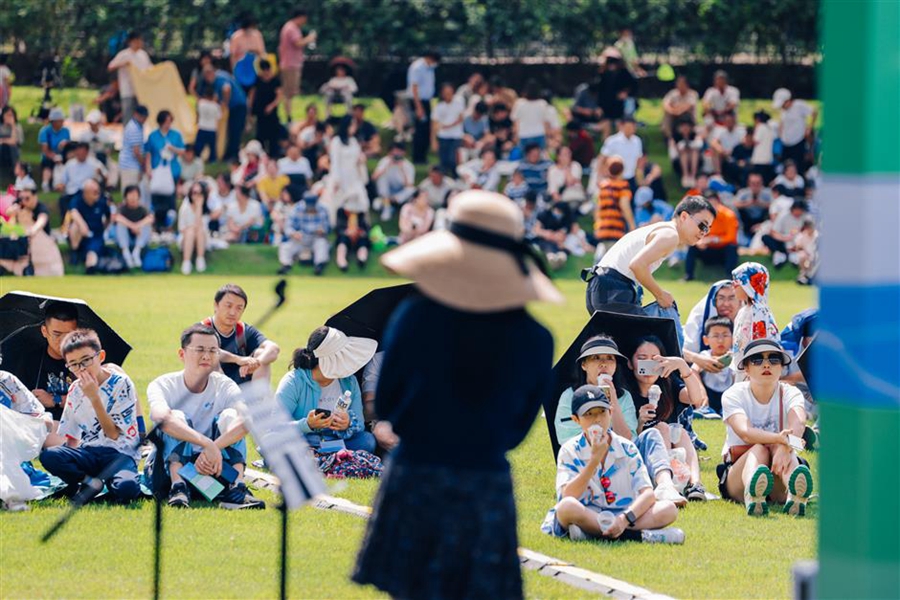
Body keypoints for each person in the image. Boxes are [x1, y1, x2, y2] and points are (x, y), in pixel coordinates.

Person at [353, 191, 562, 599]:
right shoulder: (535, 338)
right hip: (484, 482)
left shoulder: (415, 316)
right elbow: (518, 432)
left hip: (416, 474)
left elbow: (389, 404)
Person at [554, 336, 689, 506]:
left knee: (652, 434)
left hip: (623, 459)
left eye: (609, 359)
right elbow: (567, 439)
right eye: (596, 358)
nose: (603, 364)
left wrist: (613, 402)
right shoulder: (570, 396)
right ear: (584, 365)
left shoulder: (623, 396)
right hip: (589, 461)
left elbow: (629, 440)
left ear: (616, 365)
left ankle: (665, 485)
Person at [542, 385, 684, 543]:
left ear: (610, 412)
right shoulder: (569, 450)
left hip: (625, 514)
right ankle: (639, 536)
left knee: (668, 509)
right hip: (588, 513)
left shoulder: (626, 447)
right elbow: (567, 496)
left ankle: (590, 533)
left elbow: (648, 494)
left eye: (602, 412)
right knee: (566, 507)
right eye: (588, 414)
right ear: (576, 419)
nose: (597, 419)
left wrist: (623, 520)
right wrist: (593, 461)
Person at [147, 324, 265, 509]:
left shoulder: (225, 385)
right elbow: (161, 418)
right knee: (175, 417)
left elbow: (247, 420)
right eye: (199, 349)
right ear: (182, 354)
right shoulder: (163, 384)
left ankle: (237, 486)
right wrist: (207, 444)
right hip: (167, 470)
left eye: (212, 351)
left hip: (212, 466)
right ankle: (178, 489)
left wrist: (213, 449)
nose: (206, 356)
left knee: (231, 416)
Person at [38, 329, 142, 502]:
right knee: (50, 455)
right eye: (74, 364)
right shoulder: (75, 389)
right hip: (89, 453)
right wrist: (69, 466)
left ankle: (112, 482)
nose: (82, 368)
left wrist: (94, 397)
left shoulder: (121, 383)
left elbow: (113, 434)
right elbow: (71, 435)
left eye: (86, 360)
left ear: (100, 356)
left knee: (127, 489)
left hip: (119, 454)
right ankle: (90, 483)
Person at [718, 339, 813, 517]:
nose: (766, 364)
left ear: (782, 367)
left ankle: (795, 497)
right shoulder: (734, 394)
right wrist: (779, 439)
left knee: (782, 449)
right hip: (738, 475)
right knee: (760, 448)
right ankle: (753, 495)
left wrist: (785, 446)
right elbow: (745, 433)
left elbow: (799, 423)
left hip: (778, 469)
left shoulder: (790, 393)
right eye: (757, 360)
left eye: (774, 359)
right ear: (746, 368)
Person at [585, 195, 716, 313]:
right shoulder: (670, 235)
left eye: (708, 229)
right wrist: (660, 294)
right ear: (684, 217)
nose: (704, 233)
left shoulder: (663, 230)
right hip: (613, 288)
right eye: (703, 226)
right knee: (648, 338)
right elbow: (637, 265)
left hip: (601, 285)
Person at [623, 336, 709, 497]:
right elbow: (626, 437)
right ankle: (665, 484)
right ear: (630, 363)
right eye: (642, 359)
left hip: (673, 453)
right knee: (661, 428)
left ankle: (695, 484)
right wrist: (640, 422)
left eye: (655, 360)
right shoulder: (625, 394)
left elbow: (696, 399)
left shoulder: (669, 384)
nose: (649, 365)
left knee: (680, 432)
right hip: (641, 458)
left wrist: (683, 367)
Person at [275, 327, 378, 453]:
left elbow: (360, 425)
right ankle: (320, 456)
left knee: (367, 440)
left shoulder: (349, 381)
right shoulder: (294, 381)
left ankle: (319, 457)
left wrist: (347, 424)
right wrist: (308, 424)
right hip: (303, 440)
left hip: (337, 441)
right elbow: (275, 426)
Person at [1, 302, 79, 424]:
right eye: (56, 334)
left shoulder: (85, 361)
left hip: (76, 427)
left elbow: (96, 401)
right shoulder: (29, 361)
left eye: (69, 335)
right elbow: (16, 403)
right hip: (38, 427)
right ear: (44, 331)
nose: (63, 341)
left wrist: (56, 400)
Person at [197, 284, 280, 388]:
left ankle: (258, 401)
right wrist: (238, 359)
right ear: (216, 305)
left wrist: (255, 363)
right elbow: (211, 351)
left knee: (261, 353)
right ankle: (225, 398)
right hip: (208, 390)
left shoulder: (244, 330)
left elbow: (273, 348)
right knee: (210, 358)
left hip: (242, 387)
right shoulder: (201, 329)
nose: (232, 312)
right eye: (228, 306)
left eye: (239, 308)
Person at [0, 187, 64, 276]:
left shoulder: (40, 207)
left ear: (34, 197)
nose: (24, 201)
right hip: (23, 241)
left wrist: (33, 230)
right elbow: (8, 213)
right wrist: (14, 210)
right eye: (22, 198)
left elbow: (42, 219)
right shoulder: (18, 205)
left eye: (27, 198)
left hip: (40, 242)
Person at [730, 262, 780, 373]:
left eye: (737, 282)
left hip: (753, 374)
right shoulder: (744, 311)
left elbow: (760, 349)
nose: (732, 285)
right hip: (742, 370)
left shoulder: (759, 312)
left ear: (749, 285)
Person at [145, 110, 185, 233]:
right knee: (156, 199)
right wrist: (148, 169)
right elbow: (148, 153)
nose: (168, 124)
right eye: (166, 122)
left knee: (170, 200)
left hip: (172, 171)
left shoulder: (176, 135)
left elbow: (182, 150)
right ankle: (156, 224)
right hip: (157, 171)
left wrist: (172, 149)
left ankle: (169, 226)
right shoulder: (153, 136)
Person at [684, 189, 739, 281]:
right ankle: (688, 276)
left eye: (714, 203)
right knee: (692, 246)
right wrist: (699, 242)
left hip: (722, 251)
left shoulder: (728, 215)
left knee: (732, 247)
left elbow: (731, 237)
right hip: (707, 250)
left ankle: (729, 277)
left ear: (719, 202)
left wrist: (714, 239)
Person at [691, 316, 735, 416]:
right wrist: (701, 392)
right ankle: (704, 410)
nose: (720, 340)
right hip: (709, 394)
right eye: (715, 336)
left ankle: (727, 411)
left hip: (728, 394)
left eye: (725, 335)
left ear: (733, 338)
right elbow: (693, 370)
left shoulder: (734, 357)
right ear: (706, 340)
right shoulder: (704, 356)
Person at [278, 192, 331, 276]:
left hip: (315, 237)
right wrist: (294, 233)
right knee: (285, 247)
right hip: (300, 237)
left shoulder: (322, 209)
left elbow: (327, 228)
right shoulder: (296, 208)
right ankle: (286, 265)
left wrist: (323, 230)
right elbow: (288, 227)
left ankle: (319, 266)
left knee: (322, 243)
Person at [202, 65, 247, 161]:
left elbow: (226, 89)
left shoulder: (219, 79)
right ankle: (230, 153)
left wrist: (225, 103)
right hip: (240, 104)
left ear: (210, 74)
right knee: (233, 130)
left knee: (234, 131)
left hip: (237, 106)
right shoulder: (222, 74)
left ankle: (233, 155)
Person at [327, 117, 369, 221]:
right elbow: (335, 162)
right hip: (341, 176)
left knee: (363, 200)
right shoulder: (336, 141)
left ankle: (361, 223)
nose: (354, 128)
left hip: (354, 176)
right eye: (352, 125)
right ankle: (335, 223)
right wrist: (336, 180)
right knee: (337, 202)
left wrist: (361, 161)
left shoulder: (354, 141)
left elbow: (358, 157)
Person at [278, 9, 317, 120]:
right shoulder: (291, 28)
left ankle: (289, 113)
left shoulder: (291, 27)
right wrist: (310, 38)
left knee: (291, 91)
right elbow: (298, 43)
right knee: (288, 92)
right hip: (290, 64)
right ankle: (288, 115)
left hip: (292, 63)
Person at [106, 31, 152, 124]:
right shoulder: (124, 54)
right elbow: (110, 67)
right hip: (128, 91)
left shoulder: (143, 55)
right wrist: (124, 63)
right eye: (138, 40)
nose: (140, 43)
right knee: (128, 116)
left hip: (141, 91)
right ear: (132, 41)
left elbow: (151, 69)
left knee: (142, 116)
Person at [593, 156, 635, 255]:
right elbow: (625, 207)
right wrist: (632, 225)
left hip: (603, 228)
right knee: (613, 258)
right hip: (616, 228)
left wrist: (597, 226)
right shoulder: (622, 186)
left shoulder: (602, 186)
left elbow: (597, 208)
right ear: (622, 170)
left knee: (602, 256)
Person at [67, 180, 110, 272]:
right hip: (80, 235)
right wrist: (82, 224)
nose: (97, 194)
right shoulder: (77, 199)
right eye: (94, 192)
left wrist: (104, 228)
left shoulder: (102, 201)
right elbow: (73, 212)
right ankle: (74, 252)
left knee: (92, 254)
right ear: (86, 193)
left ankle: (90, 267)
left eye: (98, 191)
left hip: (95, 235)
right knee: (75, 225)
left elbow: (109, 217)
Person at [407, 51, 441, 164]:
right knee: (420, 130)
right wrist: (419, 107)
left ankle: (423, 156)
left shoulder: (429, 68)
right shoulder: (418, 67)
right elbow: (414, 87)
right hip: (418, 102)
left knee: (426, 129)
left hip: (426, 101)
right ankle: (417, 157)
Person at [772, 88, 817, 172]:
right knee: (784, 168)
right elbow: (782, 122)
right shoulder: (783, 111)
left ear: (788, 101)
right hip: (786, 143)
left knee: (799, 167)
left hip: (798, 141)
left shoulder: (799, 105)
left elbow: (814, 112)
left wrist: (809, 128)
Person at [57, 142, 106, 214]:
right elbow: (63, 181)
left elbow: (105, 177)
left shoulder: (95, 163)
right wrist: (60, 186)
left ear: (87, 152)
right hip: (73, 192)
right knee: (63, 200)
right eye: (78, 151)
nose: (80, 154)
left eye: (82, 152)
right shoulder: (69, 164)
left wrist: (100, 173)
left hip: (88, 192)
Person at [113, 184, 153, 269]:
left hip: (138, 239)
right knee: (120, 225)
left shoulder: (142, 209)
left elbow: (150, 219)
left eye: (135, 195)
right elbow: (117, 217)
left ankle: (136, 252)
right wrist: (132, 226)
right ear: (126, 197)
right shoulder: (122, 208)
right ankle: (126, 253)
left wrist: (138, 225)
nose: (133, 198)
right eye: (130, 195)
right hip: (126, 239)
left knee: (146, 226)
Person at [372, 142, 416, 219]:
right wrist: (386, 166)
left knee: (411, 189)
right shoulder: (385, 161)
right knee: (382, 178)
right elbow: (374, 177)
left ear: (403, 153)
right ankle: (386, 207)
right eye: (394, 152)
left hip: (399, 193)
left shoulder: (408, 166)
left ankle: (386, 202)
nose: (396, 155)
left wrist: (402, 169)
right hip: (386, 191)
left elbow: (409, 185)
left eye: (398, 152)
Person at [250, 60, 284, 157]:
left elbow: (279, 95)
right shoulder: (258, 79)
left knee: (273, 134)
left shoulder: (275, 80)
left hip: (271, 111)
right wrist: (251, 107)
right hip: (260, 110)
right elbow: (253, 93)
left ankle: (274, 154)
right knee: (260, 133)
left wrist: (272, 106)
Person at [599, 116, 644, 190]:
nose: (630, 130)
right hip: (614, 178)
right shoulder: (612, 141)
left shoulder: (637, 141)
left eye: (633, 127)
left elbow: (639, 160)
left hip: (630, 177)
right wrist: (601, 176)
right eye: (628, 127)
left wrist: (640, 178)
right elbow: (602, 159)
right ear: (622, 126)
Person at [431, 82, 465, 175]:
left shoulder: (459, 102)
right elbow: (434, 124)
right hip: (443, 136)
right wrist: (433, 141)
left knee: (453, 159)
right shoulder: (439, 107)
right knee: (444, 161)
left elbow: (461, 118)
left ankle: (456, 178)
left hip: (456, 136)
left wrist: (448, 125)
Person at [762, 199, 809, 268]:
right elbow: (773, 232)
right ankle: (781, 254)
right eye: (797, 210)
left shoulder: (806, 216)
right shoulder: (783, 215)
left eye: (801, 210)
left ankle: (793, 255)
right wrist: (785, 238)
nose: (799, 212)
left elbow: (809, 230)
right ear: (793, 209)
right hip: (783, 240)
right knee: (765, 238)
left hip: (799, 241)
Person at [178, 180, 210, 274]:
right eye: (194, 193)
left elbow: (202, 227)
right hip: (186, 238)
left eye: (199, 193)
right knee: (191, 231)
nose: (196, 196)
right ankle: (186, 261)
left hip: (201, 238)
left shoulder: (205, 208)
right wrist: (191, 229)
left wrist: (199, 207)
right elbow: (182, 228)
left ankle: (200, 259)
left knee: (199, 231)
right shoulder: (185, 207)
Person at [37, 108, 71, 192]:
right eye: (60, 120)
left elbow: (70, 145)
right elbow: (45, 149)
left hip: (63, 155)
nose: (62, 122)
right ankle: (45, 183)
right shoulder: (44, 131)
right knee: (47, 163)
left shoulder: (66, 131)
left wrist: (66, 143)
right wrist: (54, 157)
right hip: (49, 156)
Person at [511, 79, 550, 150]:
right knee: (539, 157)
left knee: (524, 158)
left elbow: (515, 121)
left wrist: (516, 135)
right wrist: (547, 136)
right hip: (539, 133)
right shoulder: (542, 103)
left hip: (524, 134)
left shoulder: (519, 103)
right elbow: (546, 122)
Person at [119, 105, 148, 194]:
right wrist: (143, 164)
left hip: (132, 165)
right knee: (129, 192)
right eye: (141, 117)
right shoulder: (134, 128)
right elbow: (136, 152)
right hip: (130, 166)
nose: (143, 119)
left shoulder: (137, 126)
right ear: (136, 114)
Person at [335, 203, 371, 272]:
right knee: (342, 242)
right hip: (345, 237)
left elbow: (367, 228)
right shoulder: (341, 212)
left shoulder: (362, 213)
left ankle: (362, 259)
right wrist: (347, 232)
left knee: (363, 243)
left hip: (359, 238)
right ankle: (341, 262)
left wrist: (360, 232)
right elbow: (338, 229)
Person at [194, 88, 221, 164]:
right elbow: (218, 118)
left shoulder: (201, 103)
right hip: (212, 128)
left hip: (202, 126)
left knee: (199, 146)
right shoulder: (216, 106)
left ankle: (196, 157)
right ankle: (212, 160)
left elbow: (197, 113)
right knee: (212, 147)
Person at [0, 106, 24, 178]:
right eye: (7, 115)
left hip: (13, 152)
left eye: (11, 115)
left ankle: (15, 171)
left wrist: (13, 126)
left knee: (12, 147)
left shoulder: (17, 127)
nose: (9, 117)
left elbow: (14, 141)